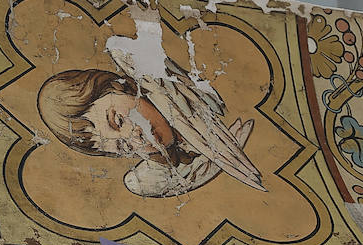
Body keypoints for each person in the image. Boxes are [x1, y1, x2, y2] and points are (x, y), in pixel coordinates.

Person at [35, 47, 263, 198]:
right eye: (123, 148)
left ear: (119, 85)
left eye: (118, 120)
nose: (134, 138)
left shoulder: (144, 70)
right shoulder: (156, 173)